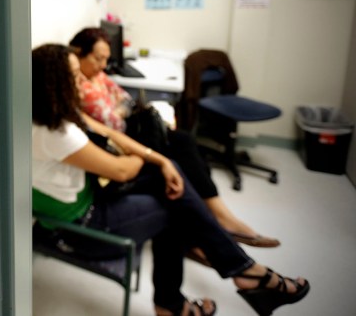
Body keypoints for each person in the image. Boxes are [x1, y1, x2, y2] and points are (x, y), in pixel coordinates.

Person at [31, 44, 309, 316]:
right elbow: (121, 171)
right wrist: (153, 154)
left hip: (89, 195)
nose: (82, 80)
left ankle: (234, 270)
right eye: (74, 76)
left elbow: (108, 132)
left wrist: (160, 159)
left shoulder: (57, 111)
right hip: (79, 228)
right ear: (53, 83)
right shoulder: (55, 132)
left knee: (172, 170)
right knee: (174, 211)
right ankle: (198, 291)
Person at [69, 27, 279, 248]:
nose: (103, 65)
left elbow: (125, 100)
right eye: (97, 59)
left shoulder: (98, 76)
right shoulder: (79, 86)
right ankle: (216, 222)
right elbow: (113, 122)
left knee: (185, 142)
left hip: (130, 133)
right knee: (179, 159)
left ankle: (216, 215)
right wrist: (119, 109)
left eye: (105, 59)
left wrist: (119, 109)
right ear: (79, 53)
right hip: (119, 144)